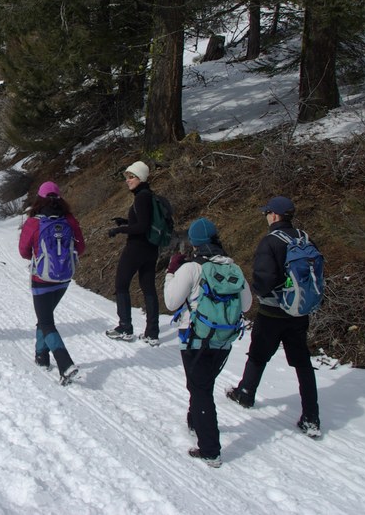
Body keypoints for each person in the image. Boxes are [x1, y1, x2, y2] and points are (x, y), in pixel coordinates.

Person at [226, 195, 322, 438]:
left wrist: (258, 290)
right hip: (299, 310)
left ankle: (246, 393)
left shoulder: (270, 242)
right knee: (302, 362)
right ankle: (311, 417)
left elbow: (264, 280)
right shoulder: (303, 238)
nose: (266, 216)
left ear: (275, 215)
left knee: (258, 354)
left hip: (272, 311)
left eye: (267, 213)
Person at [164, 218, 252, 468]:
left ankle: (210, 449)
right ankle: (195, 421)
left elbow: (171, 302)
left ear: (194, 242)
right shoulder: (233, 268)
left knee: (201, 390)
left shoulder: (192, 268)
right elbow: (246, 305)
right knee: (202, 384)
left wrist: (170, 273)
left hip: (195, 338)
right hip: (223, 339)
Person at [18, 181, 86, 384]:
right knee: (44, 317)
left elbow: (23, 252)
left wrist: (38, 256)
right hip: (64, 278)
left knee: (46, 321)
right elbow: (81, 248)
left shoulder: (34, 222)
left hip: (41, 278)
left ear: (39, 198)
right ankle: (41, 355)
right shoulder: (69, 219)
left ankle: (65, 364)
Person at [105, 161, 161, 345]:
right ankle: (152, 333)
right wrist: (125, 221)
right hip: (151, 249)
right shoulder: (149, 195)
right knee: (149, 288)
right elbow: (145, 222)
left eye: (131, 177)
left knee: (121, 285)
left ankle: (125, 328)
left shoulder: (141, 198)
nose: (127, 180)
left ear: (141, 178)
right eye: (127, 177)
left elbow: (142, 227)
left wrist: (119, 230)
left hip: (136, 248)